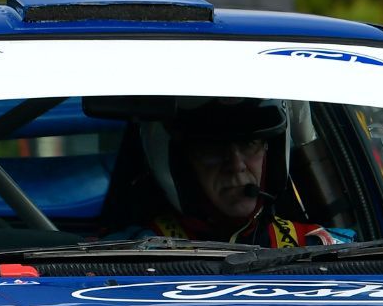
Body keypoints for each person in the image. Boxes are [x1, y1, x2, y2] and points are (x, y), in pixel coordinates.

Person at [131, 102, 348, 247]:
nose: (236, 165)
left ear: (268, 155)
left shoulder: (319, 247)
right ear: (182, 165)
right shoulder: (128, 254)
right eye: (213, 147)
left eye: (249, 143)